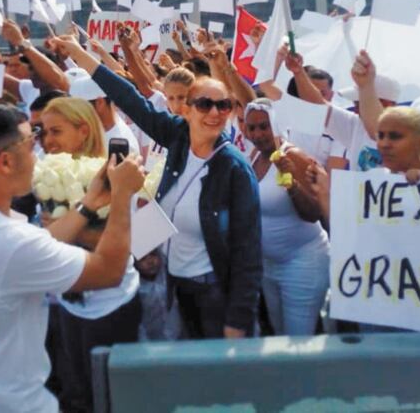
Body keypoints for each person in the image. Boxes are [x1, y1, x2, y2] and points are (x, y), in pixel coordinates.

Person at [0, 105, 144, 413]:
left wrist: (89, 203)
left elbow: (42, 243)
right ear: (6, 162)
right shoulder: (12, 244)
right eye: (30, 143)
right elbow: (109, 271)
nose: (39, 152)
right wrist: (121, 197)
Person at [53, 35, 262, 340]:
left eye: (224, 105)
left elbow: (248, 252)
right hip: (176, 287)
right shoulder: (178, 136)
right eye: (205, 104)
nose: (215, 113)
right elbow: (129, 98)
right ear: (187, 109)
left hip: (214, 294)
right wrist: (80, 54)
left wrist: (238, 320)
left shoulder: (235, 169)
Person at [39, 96, 142, 413]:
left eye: (56, 131)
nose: (48, 141)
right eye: (44, 132)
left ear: (83, 130)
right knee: (79, 395)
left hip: (111, 306)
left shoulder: (115, 175)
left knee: (113, 397)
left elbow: (126, 242)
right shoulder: (47, 172)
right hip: (68, 304)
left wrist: (73, 226)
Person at [244, 99, 329, 335]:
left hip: (303, 263)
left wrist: (291, 183)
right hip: (268, 265)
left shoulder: (294, 156)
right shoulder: (254, 156)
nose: (258, 134)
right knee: (279, 335)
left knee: (298, 341)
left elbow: (313, 213)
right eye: (252, 128)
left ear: (277, 125)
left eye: (264, 126)